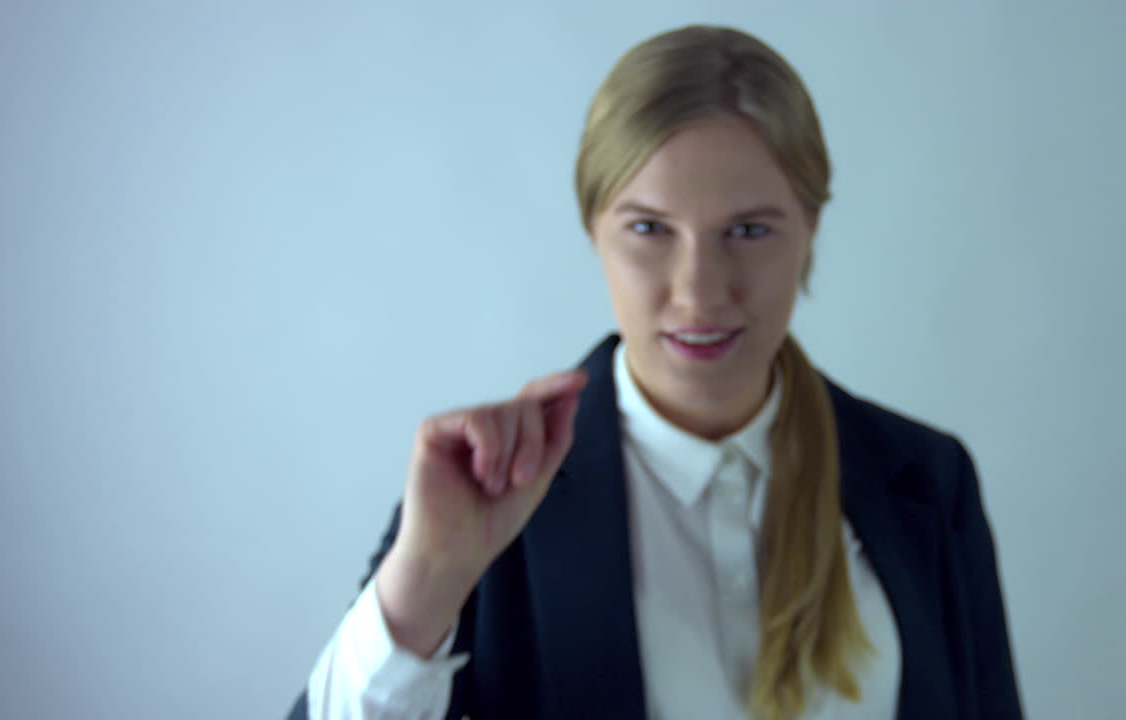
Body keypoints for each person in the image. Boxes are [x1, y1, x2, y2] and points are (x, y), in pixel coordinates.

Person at [288, 24, 1022, 720]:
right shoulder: (490, 497)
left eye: (748, 230)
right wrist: (422, 588)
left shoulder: (928, 480)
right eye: (649, 229)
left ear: (811, 231)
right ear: (593, 231)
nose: (699, 292)